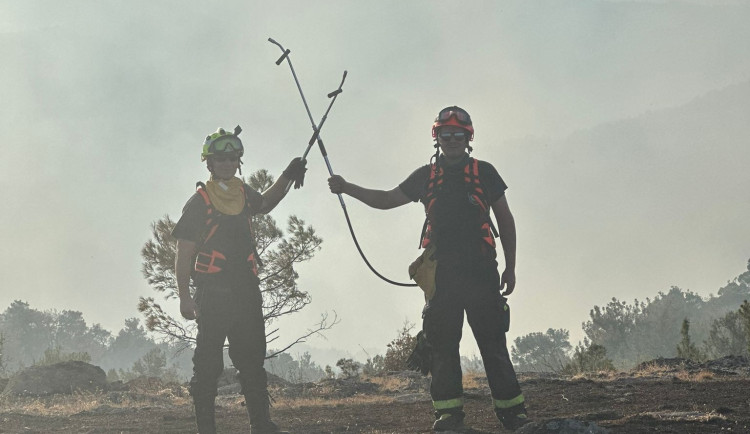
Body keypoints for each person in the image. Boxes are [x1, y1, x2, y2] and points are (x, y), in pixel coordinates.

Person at [328, 106, 528, 432]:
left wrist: (511, 267)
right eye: (446, 135)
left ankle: (513, 417)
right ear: (437, 138)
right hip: (443, 276)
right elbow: (387, 199)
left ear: (468, 138)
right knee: (443, 347)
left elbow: (505, 220)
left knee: (493, 345)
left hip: (482, 272)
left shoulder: (485, 172)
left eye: (458, 135)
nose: (452, 140)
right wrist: (347, 188)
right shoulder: (425, 176)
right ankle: (448, 419)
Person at [173, 126, 306, 434]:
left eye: (232, 158)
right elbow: (184, 253)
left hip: (246, 292)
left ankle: (262, 426)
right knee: (207, 368)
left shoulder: (244, 193)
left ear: (238, 161)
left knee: (252, 363)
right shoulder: (199, 202)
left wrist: (288, 173)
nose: (227, 163)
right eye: (220, 159)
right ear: (209, 163)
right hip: (213, 294)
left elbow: (266, 203)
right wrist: (184, 297)